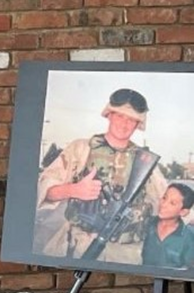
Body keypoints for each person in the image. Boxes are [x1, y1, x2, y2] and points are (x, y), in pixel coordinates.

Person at [36, 88, 168, 265]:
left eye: (131, 120)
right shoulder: (81, 149)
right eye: (120, 116)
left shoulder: (144, 161)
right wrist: (73, 190)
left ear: (138, 124)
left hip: (127, 253)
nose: (124, 124)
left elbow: (170, 200)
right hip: (79, 244)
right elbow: (46, 188)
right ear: (109, 115)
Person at [139, 183, 194, 269]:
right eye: (164, 198)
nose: (163, 205)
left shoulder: (189, 237)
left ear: (183, 212)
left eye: (172, 203)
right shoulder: (148, 224)